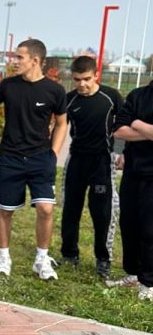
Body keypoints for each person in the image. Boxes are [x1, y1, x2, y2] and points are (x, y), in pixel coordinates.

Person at [0, 39, 67, 280]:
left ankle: (41, 259)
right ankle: (4, 257)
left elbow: (61, 123)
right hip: (9, 159)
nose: (14, 61)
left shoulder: (54, 90)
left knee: (46, 209)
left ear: (35, 61)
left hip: (41, 159)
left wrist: (54, 154)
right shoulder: (8, 86)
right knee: (5, 210)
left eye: (19, 57)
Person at [59, 55, 123, 278]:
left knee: (102, 213)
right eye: (77, 80)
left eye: (86, 79)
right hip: (76, 160)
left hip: (102, 162)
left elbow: (123, 125)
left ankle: (103, 259)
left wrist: (122, 154)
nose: (82, 84)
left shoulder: (111, 97)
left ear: (96, 75)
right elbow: (57, 126)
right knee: (70, 210)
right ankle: (69, 254)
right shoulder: (69, 100)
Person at [110, 78, 153, 301]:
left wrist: (137, 123)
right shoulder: (138, 95)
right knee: (129, 225)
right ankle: (133, 274)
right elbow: (119, 131)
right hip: (133, 172)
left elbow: (130, 126)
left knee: (150, 229)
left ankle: (149, 283)